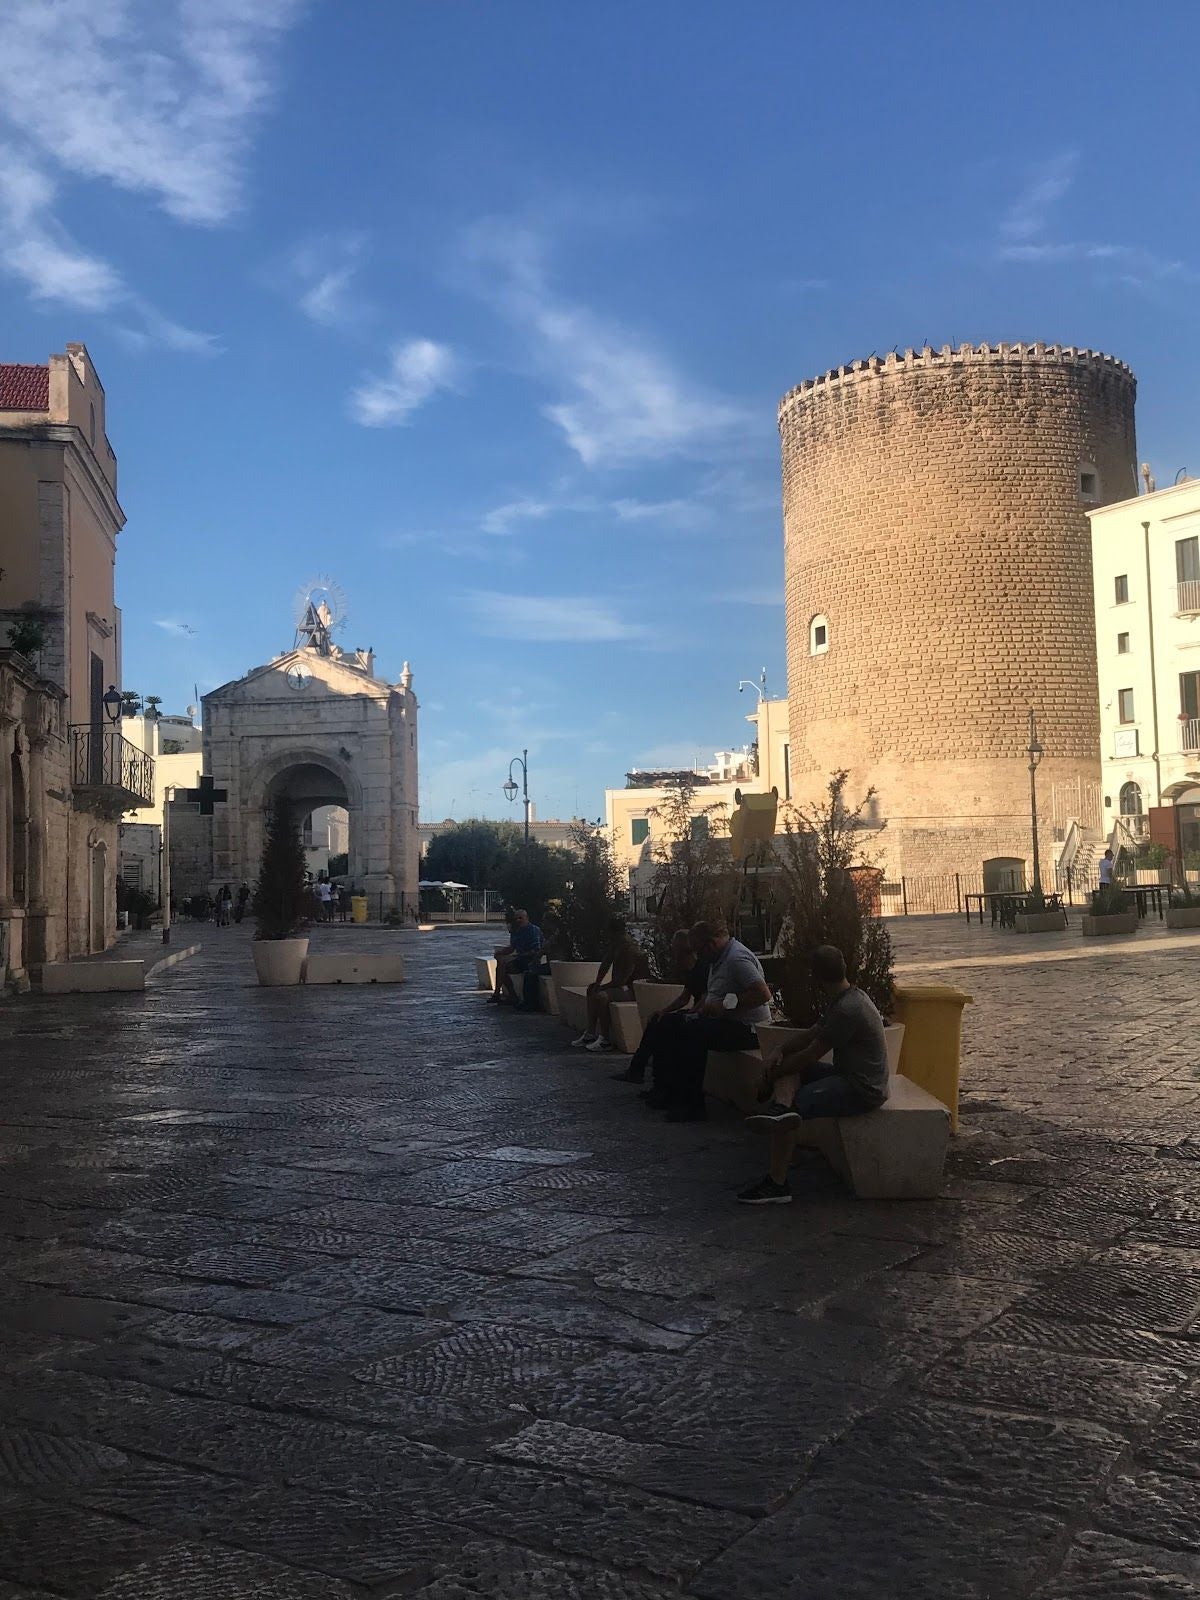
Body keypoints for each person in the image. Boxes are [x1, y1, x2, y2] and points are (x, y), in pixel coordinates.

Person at [737, 943, 890, 1205]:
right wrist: (779, 1050)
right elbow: (811, 1034)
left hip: (862, 1089)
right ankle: (779, 1107)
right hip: (847, 1075)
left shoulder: (847, 1010)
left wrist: (770, 1076)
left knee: (793, 1105)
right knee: (790, 1074)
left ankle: (777, 1183)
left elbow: (811, 1054)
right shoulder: (846, 997)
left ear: (817, 978)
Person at [645, 918, 772, 1121]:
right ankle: (665, 1089)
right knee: (668, 1023)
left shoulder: (737, 959)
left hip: (747, 1029)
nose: (697, 956)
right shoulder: (718, 959)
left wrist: (724, 1005)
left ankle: (692, 1104)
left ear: (711, 944)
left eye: (699, 950)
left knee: (694, 1032)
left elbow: (763, 994)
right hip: (725, 1022)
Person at [611, 929, 704, 1086]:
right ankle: (639, 1071)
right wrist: (664, 1011)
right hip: (693, 1012)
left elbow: (707, 997)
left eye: (674, 947)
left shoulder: (702, 967)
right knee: (656, 1020)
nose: (672, 952)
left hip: (700, 1013)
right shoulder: (689, 970)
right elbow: (684, 998)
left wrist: (691, 1014)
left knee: (666, 1029)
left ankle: (660, 1082)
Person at [571, 916, 652, 1053]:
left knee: (602, 996)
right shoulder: (616, 943)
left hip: (633, 989)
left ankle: (605, 1040)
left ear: (614, 932)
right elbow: (606, 963)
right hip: (622, 986)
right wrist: (597, 983)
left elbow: (623, 979)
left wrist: (603, 987)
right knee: (592, 990)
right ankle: (590, 1033)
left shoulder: (629, 948)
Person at [489, 908, 543, 1005]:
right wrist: (500, 952)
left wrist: (522, 955)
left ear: (526, 918)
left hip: (531, 961)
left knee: (503, 967)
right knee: (501, 966)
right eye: (516, 919)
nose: (518, 920)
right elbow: (512, 947)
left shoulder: (533, 930)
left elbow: (536, 950)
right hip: (520, 959)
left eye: (520, 918)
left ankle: (499, 994)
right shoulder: (516, 931)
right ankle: (509, 995)